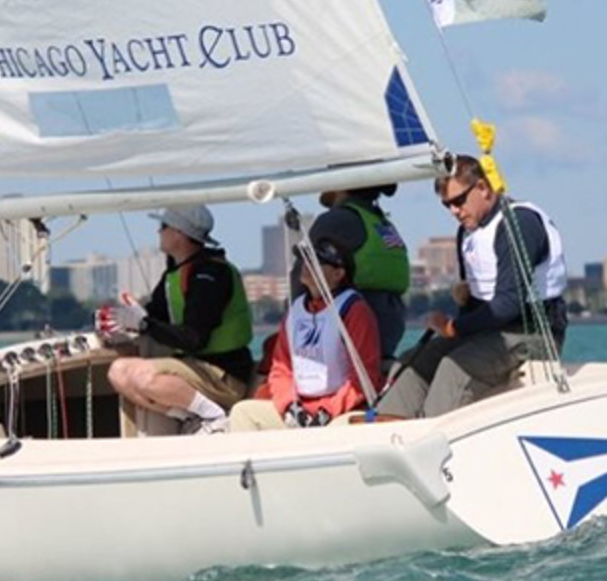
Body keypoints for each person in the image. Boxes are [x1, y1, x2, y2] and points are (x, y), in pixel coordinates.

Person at [379, 154, 567, 419]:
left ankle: (430, 435)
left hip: (534, 332)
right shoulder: (467, 233)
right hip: (490, 332)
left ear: (482, 187)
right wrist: (465, 302)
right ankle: (389, 424)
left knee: (454, 368)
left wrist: (452, 327)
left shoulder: (518, 224)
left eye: (458, 201)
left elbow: (508, 304)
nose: (454, 211)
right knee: (416, 360)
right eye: (447, 205)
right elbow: (482, 304)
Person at [99, 205, 254, 433]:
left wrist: (144, 324)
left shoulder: (211, 275)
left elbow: (194, 339)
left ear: (179, 234)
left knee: (144, 376)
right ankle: (192, 416)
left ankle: (216, 418)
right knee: (118, 372)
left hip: (224, 374)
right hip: (198, 368)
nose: (158, 232)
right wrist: (121, 323)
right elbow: (153, 316)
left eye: (163, 226)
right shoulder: (175, 274)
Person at [229, 237, 381, 431]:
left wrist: (328, 410)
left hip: (342, 411)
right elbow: (281, 369)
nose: (306, 264)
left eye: (317, 261)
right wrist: (289, 406)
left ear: (338, 273)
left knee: (343, 428)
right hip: (298, 410)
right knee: (243, 413)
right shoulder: (295, 311)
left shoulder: (355, 310)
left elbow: (364, 375)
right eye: (305, 259)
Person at [290, 185, 410, 364]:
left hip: (347, 344)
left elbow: (302, 278)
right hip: (386, 341)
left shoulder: (337, 220)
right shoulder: (382, 224)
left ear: (340, 187)